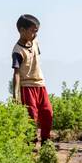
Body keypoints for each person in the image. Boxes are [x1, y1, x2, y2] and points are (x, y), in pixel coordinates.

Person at [11, 13, 52, 147]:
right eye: (33, 31)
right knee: (32, 116)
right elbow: (16, 73)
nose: (35, 34)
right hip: (27, 86)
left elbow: (36, 57)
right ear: (22, 30)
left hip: (40, 84)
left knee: (47, 112)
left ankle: (46, 142)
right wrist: (15, 94)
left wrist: (34, 36)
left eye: (36, 31)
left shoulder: (35, 42)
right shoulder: (17, 51)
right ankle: (31, 144)